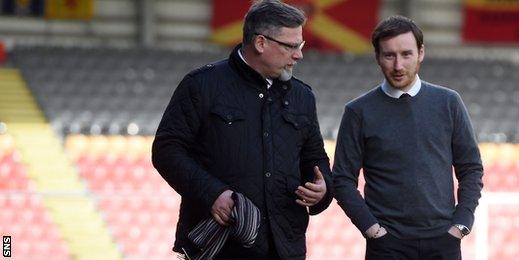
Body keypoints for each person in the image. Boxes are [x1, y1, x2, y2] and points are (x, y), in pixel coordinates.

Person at [151, 1, 333, 259]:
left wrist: (323, 189)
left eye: (299, 46)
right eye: (291, 46)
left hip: (285, 249)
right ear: (261, 43)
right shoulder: (202, 85)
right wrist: (213, 194)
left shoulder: (304, 97)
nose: (299, 55)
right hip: (220, 248)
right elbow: (166, 151)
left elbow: (315, 159)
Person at [332, 15, 484, 260]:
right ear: (377, 57)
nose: (398, 65)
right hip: (386, 245)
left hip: (443, 242)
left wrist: (461, 224)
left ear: (421, 53)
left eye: (406, 54)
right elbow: (341, 180)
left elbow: (471, 168)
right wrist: (372, 230)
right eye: (389, 55)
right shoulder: (358, 111)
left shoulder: (448, 102)